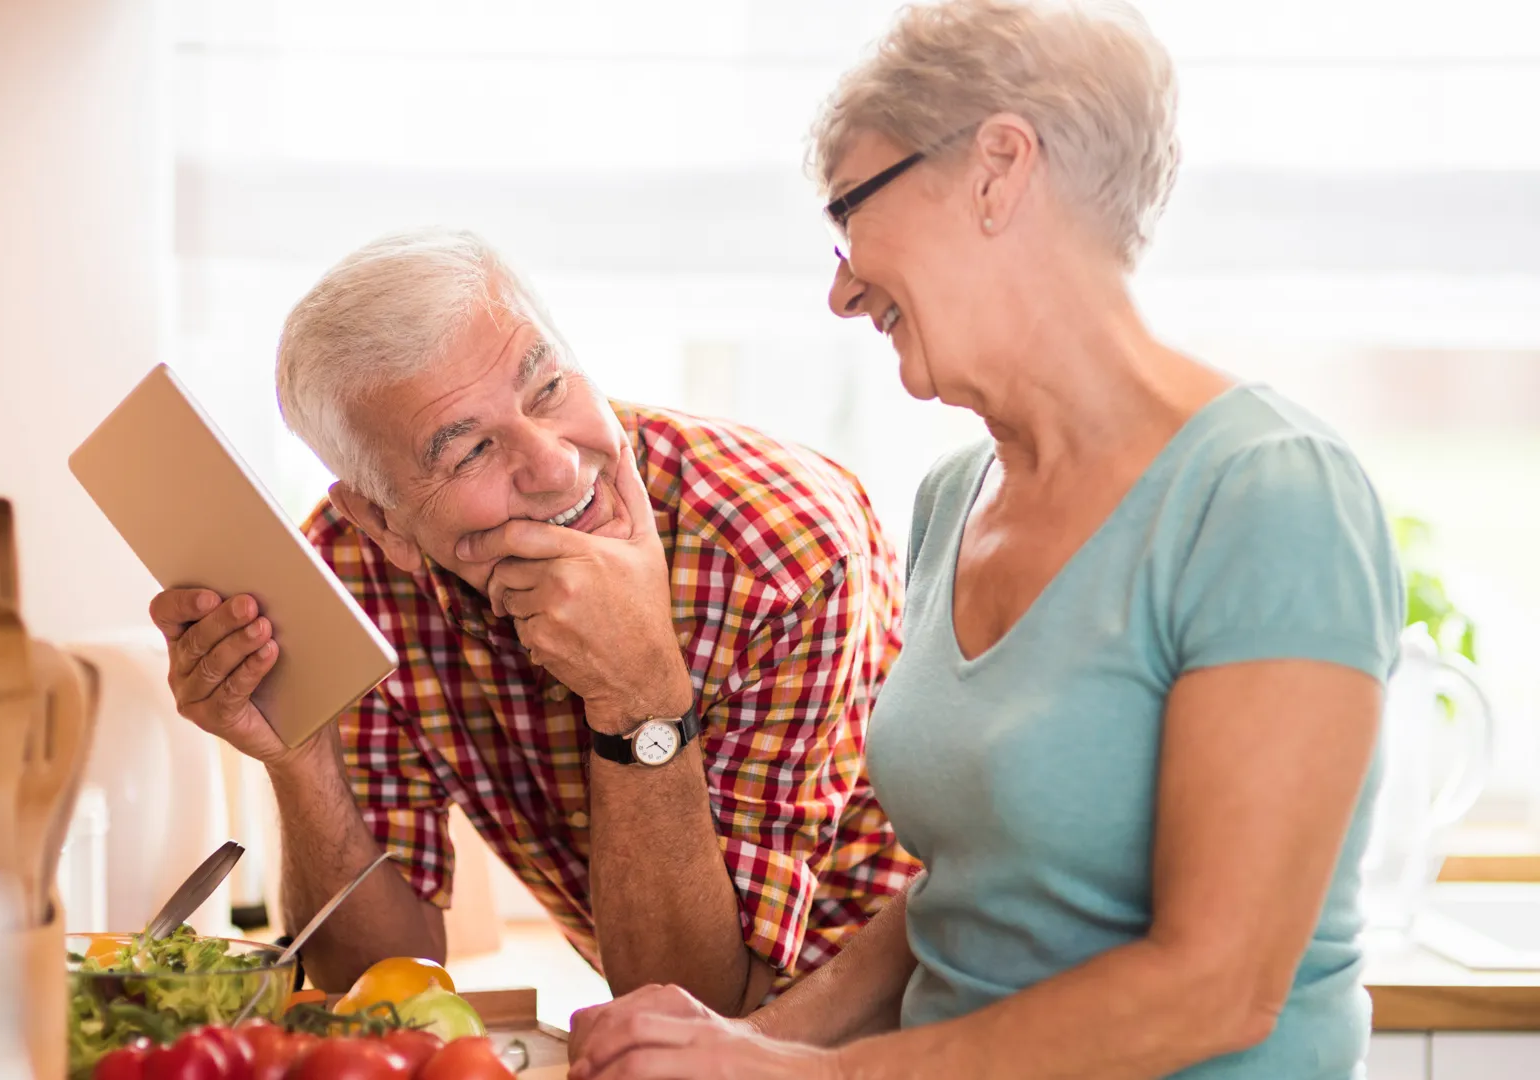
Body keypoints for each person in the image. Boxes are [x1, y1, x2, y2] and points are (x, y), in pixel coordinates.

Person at [568, 1, 1403, 1077]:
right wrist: (751, 1043)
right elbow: (968, 894)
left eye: (852, 211)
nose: (840, 286)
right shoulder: (955, 499)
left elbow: (1220, 988)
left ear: (998, 170)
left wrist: (807, 1077)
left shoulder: (1268, 495)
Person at [147, 229, 917, 1014]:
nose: (554, 466)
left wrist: (640, 694)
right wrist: (300, 757)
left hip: (910, 1014)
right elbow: (379, 987)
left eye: (547, 388)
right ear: (384, 524)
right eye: (471, 449)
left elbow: (705, 1005)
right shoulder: (352, 570)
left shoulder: (785, 556)